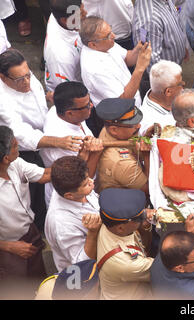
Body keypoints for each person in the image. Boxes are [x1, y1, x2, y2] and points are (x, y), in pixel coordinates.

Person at [0, 49, 83, 230]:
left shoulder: (25, 77)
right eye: (20, 79)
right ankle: (40, 225)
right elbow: (20, 132)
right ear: (3, 78)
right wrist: (57, 141)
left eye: (28, 75)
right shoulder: (3, 100)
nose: (27, 82)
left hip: (45, 131)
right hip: (25, 150)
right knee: (34, 191)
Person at [0, 126, 51, 289]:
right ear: (6, 158)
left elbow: (45, 175)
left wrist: (79, 160)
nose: (19, 147)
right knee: (15, 289)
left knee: (38, 282)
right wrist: (9, 246)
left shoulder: (16, 164)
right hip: (7, 247)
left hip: (30, 234)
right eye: (16, 145)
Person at [40, 81, 103, 206]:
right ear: (70, 113)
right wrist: (95, 153)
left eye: (89, 102)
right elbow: (81, 179)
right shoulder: (65, 141)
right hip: (73, 197)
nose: (91, 105)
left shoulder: (61, 112)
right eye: (86, 106)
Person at [79, 16, 152, 108]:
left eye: (111, 31)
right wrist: (140, 69)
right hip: (122, 115)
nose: (114, 36)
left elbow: (127, 59)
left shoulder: (105, 43)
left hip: (135, 104)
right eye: (108, 36)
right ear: (93, 44)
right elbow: (122, 101)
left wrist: (137, 50)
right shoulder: (94, 70)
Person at [96, 188, 156, 300]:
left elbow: (142, 245)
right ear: (120, 228)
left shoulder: (110, 222)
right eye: (138, 217)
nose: (144, 214)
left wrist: (144, 225)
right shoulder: (124, 262)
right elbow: (164, 268)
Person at [44, 156, 102, 272]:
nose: (91, 182)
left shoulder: (73, 187)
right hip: (82, 279)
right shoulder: (62, 224)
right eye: (86, 184)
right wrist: (93, 232)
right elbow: (82, 264)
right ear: (69, 195)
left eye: (88, 177)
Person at [132, 0, 188, 96]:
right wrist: (172, 85)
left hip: (171, 71)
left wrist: (183, 47)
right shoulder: (149, 19)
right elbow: (151, 64)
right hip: (163, 82)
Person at [95, 98, 150, 194]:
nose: (139, 126)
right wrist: (146, 156)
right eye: (133, 125)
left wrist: (147, 137)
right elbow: (148, 189)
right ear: (114, 130)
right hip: (125, 203)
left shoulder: (109, 128)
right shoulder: (122, 162)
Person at [44, 0, 87, 92]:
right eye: (81, 14)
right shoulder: (61, 56)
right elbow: (68, 92)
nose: (85, 14)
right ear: (65, 20)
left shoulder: (59, 15)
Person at [139, 60, 183, 135]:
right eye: (180, 84)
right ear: (168, 92)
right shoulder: (151, 125)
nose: (182, 89)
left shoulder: (177, 99)